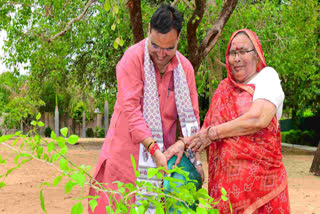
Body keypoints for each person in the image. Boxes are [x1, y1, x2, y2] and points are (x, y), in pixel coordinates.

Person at [88, 5, 203, 214]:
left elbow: (192, 120)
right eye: (156, 46)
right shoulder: (131, 59)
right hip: (124, 157)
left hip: (162, 161)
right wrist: (153, 149)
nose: (161, 54)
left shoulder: (184, 69)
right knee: (120, 205)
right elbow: (131, 111)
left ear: (178, 39)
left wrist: (184, 147)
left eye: (169, 48)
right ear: (149, 30)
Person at [179, 29, 290, 213]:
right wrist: (183, 145)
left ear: (256, 55)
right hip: (226, 195)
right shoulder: (223, 89)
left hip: (264, 193)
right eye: (232, 53)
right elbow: (203, 133)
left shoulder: (267, 77)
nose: (236, 58)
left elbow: (258, 118)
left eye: (242, 52)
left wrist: (214, 133)